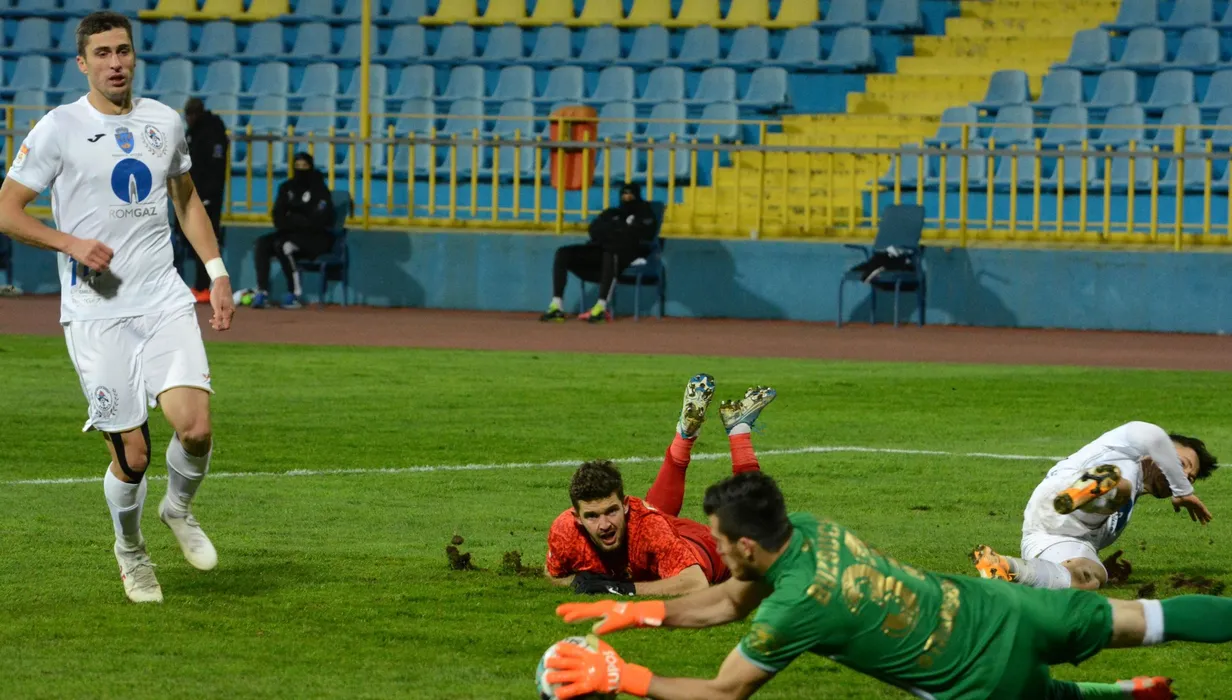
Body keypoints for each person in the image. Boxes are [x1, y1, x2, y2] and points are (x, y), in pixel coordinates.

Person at [546, 471, 1232, 700]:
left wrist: (627, 679)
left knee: (1039, 695)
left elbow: (725, 691)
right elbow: (727, 599)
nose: (718, 551)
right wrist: (644, 613)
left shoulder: (795, 611)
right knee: (1148, 619)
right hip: (1000, 603)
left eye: (722, 542)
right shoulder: (806, 527)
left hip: (976, 680)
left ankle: (1120, 695)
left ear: (748, 546)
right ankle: (1129, 689)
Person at [0, 11, 234, 603]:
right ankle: (130, 551)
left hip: (163, 299)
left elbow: (186, 200)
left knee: (197, 429)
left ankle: (178, 509)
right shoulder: (59, 127)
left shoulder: (164, 121)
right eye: (102, 54)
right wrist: (70, 243)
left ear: (134, 56)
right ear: (83, 64)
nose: (115, 63)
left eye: (123, 51)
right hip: (96, 312)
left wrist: (217, 273)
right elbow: (6, 210)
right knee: (133, 454)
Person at [546, 374, 775, 596]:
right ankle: (689, 434)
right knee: (654, 517)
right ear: (576, 518)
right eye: (592, 516)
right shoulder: (565, 530)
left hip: (703, 548)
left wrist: (620, 588)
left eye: (611, 511)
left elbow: (696, 583)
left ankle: (738, 431)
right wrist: (575, 581)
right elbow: (552, 573)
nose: (604, 524)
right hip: (662, 531)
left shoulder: (648, 527)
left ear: (626, 506)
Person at [973, 421, 1217, 591]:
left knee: (1089, 579)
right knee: (1123, 484)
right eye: (1181, 464)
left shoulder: (1134, 492)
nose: (1184, 476)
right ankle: (1098, 493)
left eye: (1190, 478)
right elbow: (1152, 433)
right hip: (1061, 493)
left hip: (1056, 535)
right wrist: (1183, 490)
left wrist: (1102, 568)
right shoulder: (1125, 447)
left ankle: (1005, 566)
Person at [540, 182, 658, 324]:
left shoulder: (645, 214)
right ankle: (556, 305)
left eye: (630, 195)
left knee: (610, 252)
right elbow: (593, 230)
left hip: (623, 257)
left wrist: (612, 231)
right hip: (598, 252)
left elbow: (640, 236)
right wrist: (618, 230)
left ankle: (601, 307)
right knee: (563, 253)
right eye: (624, 194)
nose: (627, 197)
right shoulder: (611, 213)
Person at [250, 151, 334, 309]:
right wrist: (297, 218)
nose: (300, 169)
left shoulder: (320, 190)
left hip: (314, 238)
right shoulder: (286, 188)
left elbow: (319, 220)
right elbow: (278, 216)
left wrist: (293, 217)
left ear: (311, 167)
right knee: (262, 243)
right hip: (288, 233)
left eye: (304, 166)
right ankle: (262, 291)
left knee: (284, 246)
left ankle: (294, 294)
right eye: (297, 166)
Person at [173, 97, 229, 304]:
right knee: (185, 239)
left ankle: (205, 286)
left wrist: (208, 196)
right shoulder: (193, 132)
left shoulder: (213, 133)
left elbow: (215, 169)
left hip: (206, 198)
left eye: (190, 115)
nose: (188, 119)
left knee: (205, 241)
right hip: (189, 195)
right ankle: (196, 285)